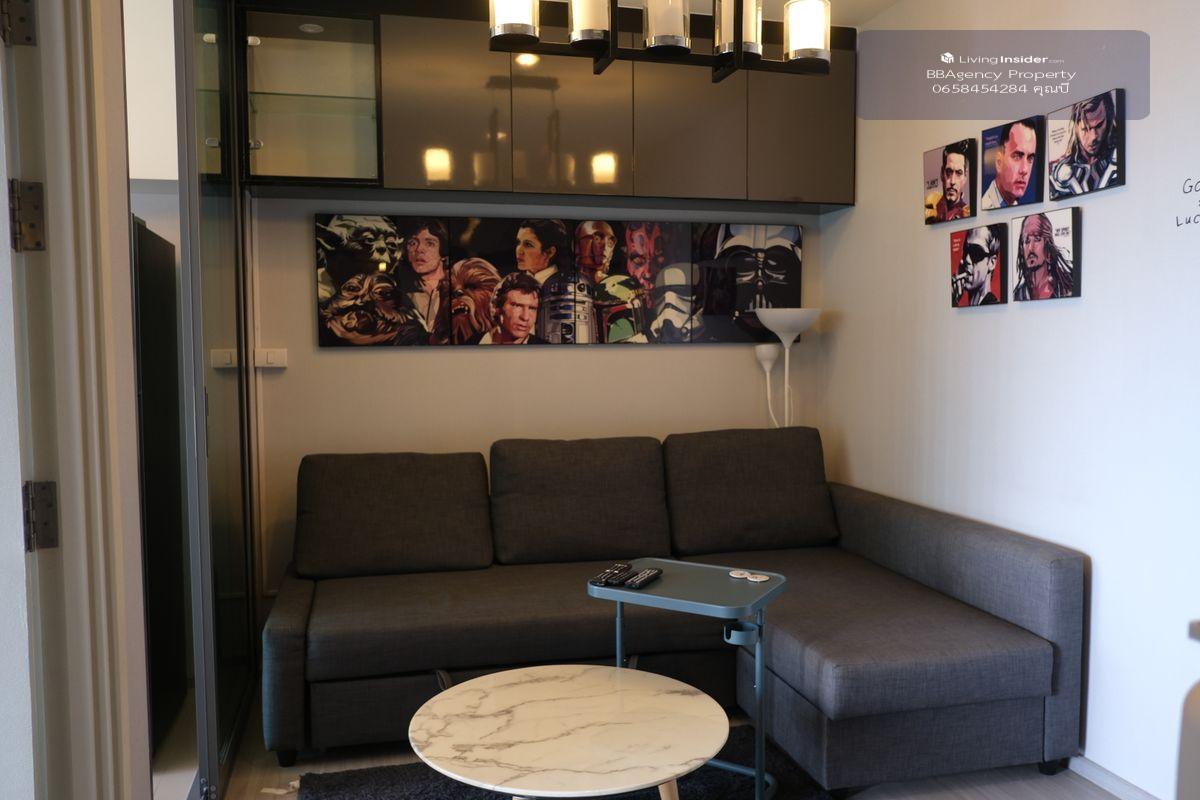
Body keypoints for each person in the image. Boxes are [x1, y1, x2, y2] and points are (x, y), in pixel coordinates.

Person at [1050, 92, 1120, 198]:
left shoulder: (1121, 158)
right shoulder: (1056, 171)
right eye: (1085, 129)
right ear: (1075, 127)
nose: (1093, 137)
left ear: (1109, 120)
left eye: (1099, 125)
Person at [399, 219, 449, 339]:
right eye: (412, 243)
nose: (419, 249)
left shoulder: (457, 287)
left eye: (430, 243)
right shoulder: (400, 293)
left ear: (443, 252)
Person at [470, 271, 549, 344]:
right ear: (497, 308)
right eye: (517, 306)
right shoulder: (472, 343)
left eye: (532, 308)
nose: (525, 317)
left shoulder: (546, 350)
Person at [1014, 213, 1074, 300]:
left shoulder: (1066, 288)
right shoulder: (1018, 295)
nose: (1030, 248)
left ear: (1047, 244)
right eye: (1027, 241)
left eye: (1037, 239)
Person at [982, 118, 1038, 209]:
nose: (1024, 170)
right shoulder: (985, 207)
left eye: (1030, 158)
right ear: (999, 162)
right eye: (1017, 156)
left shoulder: (1015, 206)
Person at [951, 225, 1003, 306]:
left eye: (976, 252)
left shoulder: (994, 308)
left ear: (992, 263)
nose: (967, 260)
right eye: (966, 250)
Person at [925, 140, 972, 224]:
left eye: (958, 173)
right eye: (949, 172)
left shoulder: (967, 215)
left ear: (965, 177)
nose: (952, 181)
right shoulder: (929, 205)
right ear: (942, 173)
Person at [514, 219, 570, 285]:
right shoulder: (513, 282)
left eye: (528, 244)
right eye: (518, 243)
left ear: (550, 252)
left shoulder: (566, 284)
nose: (519, 251)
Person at [573, 220, 617, 284]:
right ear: (577, 246)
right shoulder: (568, 282)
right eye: (597, 238)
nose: (605, 246)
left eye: (610, 242)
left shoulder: (612, 284)